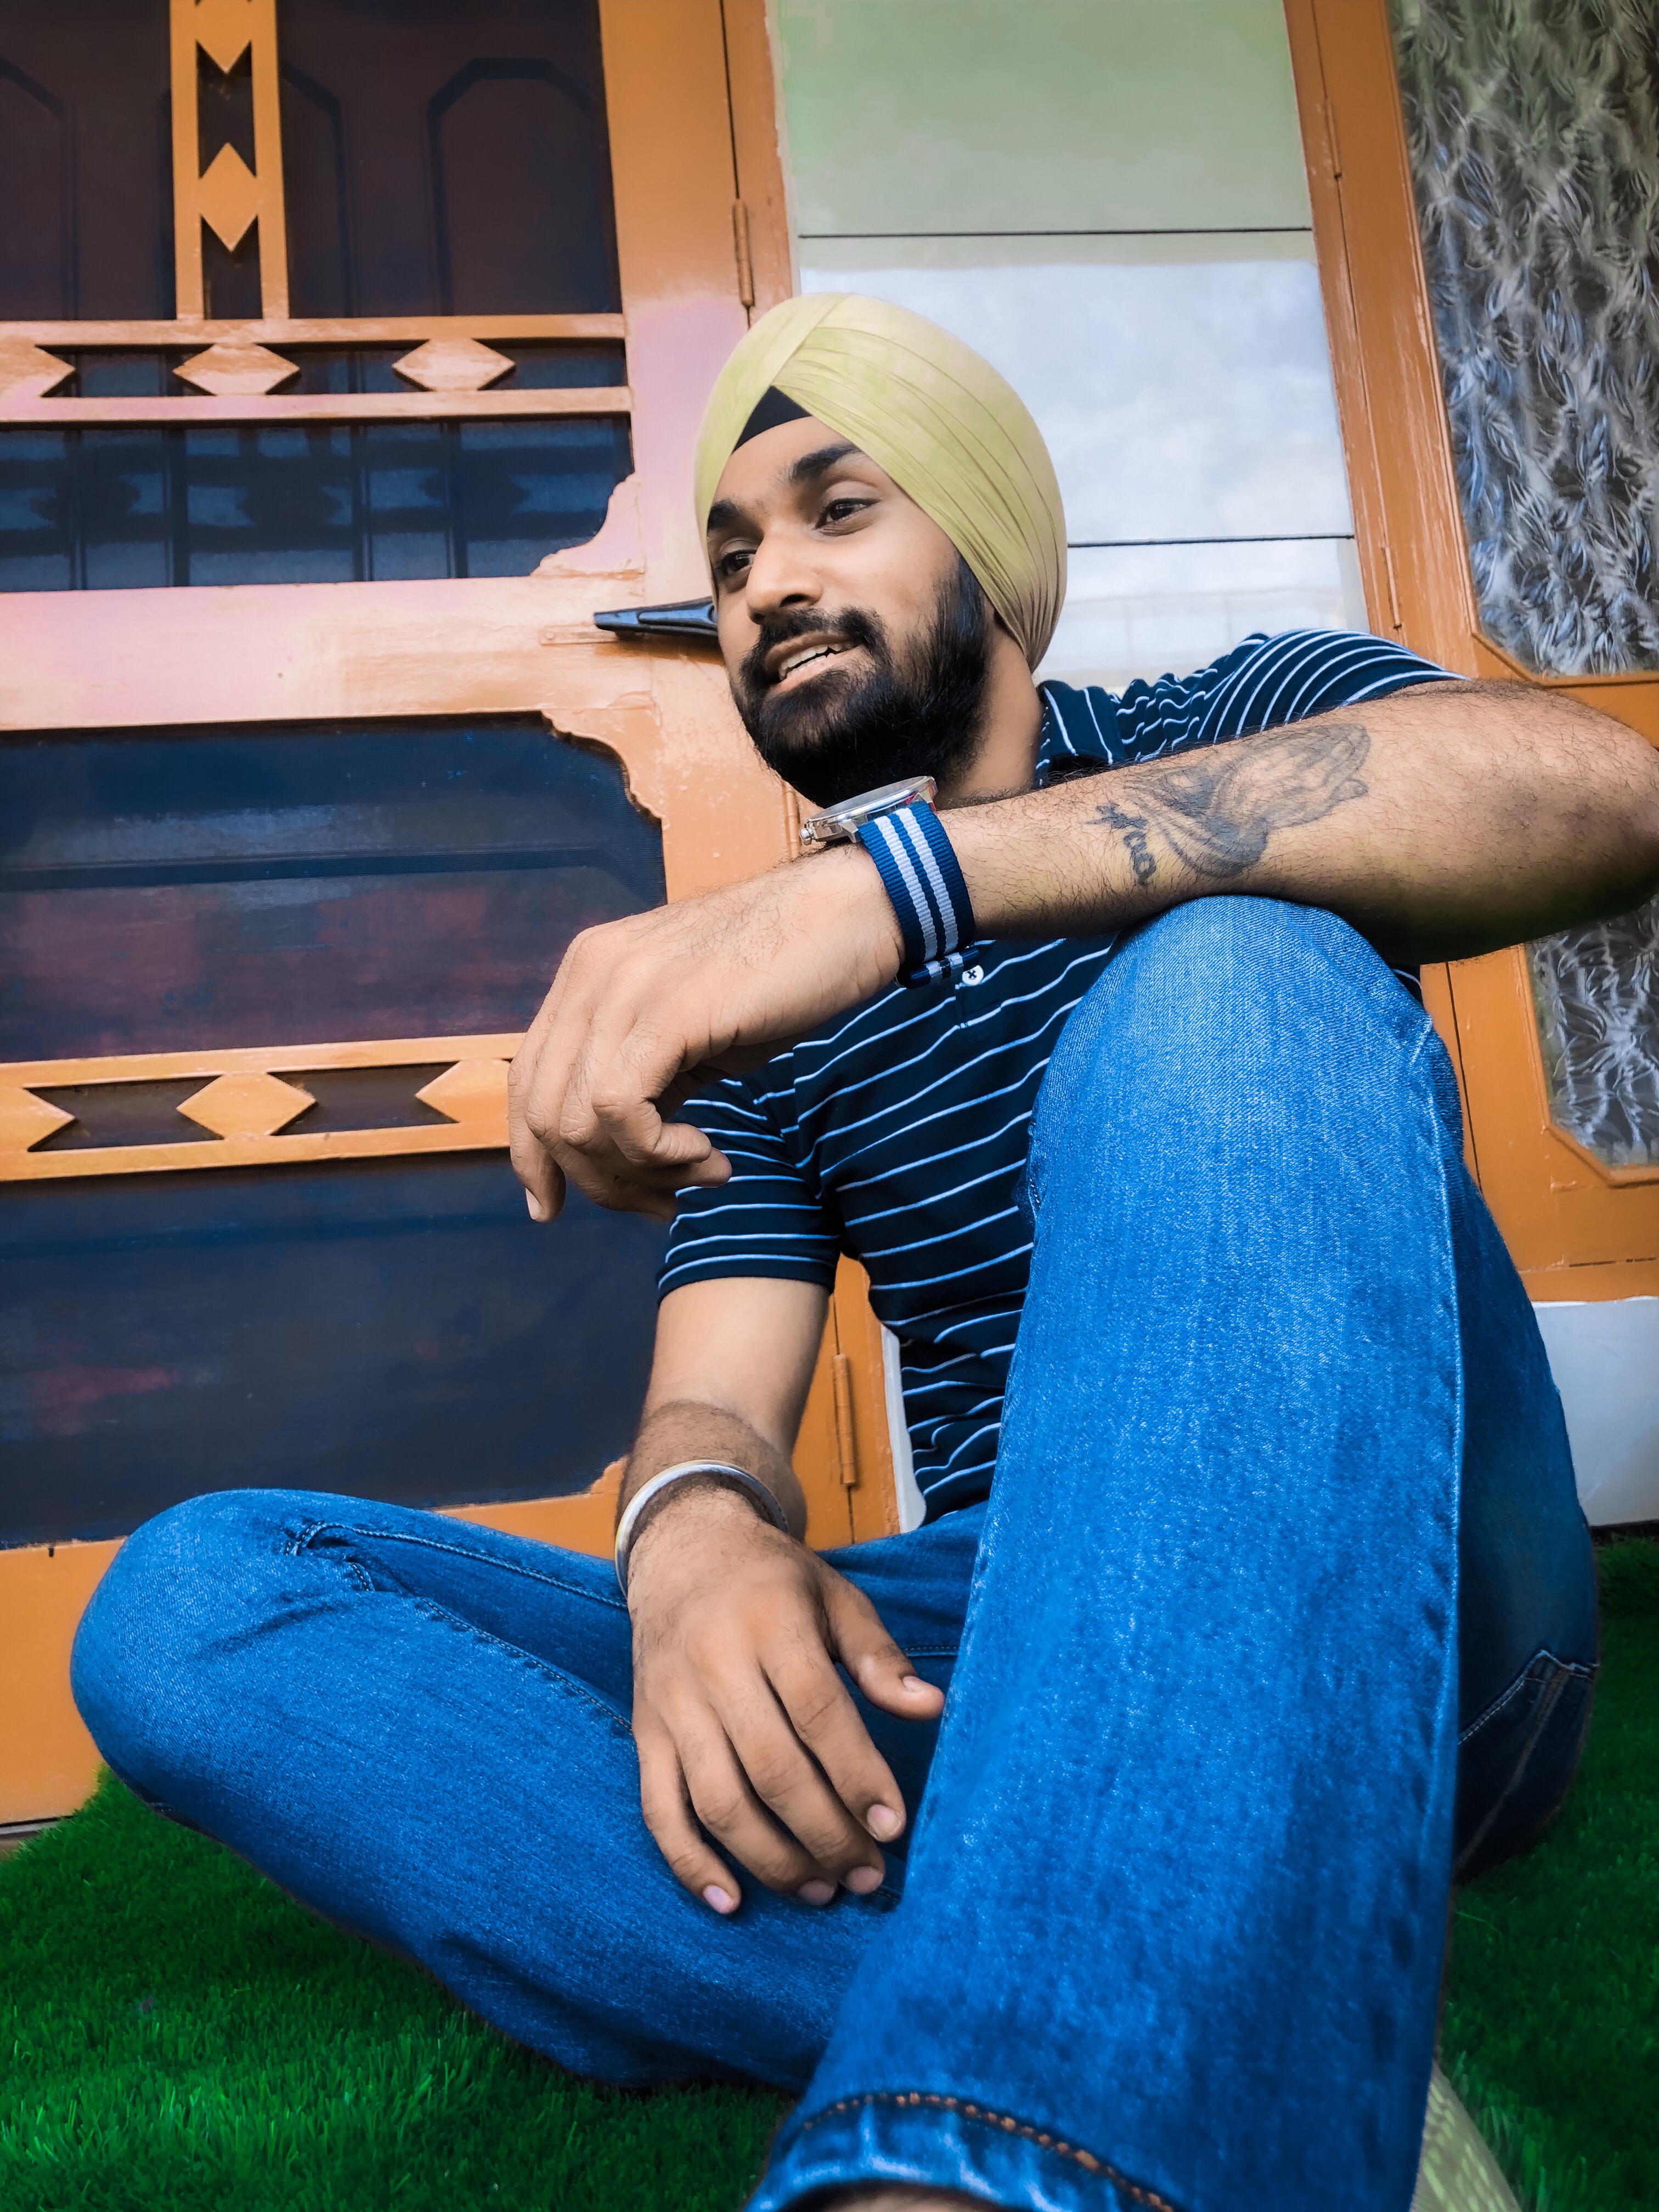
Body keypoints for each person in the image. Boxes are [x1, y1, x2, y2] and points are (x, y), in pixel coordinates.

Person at [73, 295, 1659, 2212]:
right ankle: (1196, 2018)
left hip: (1399, 1594)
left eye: (838, 511)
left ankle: (1069, 2090)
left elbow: (1604, 798)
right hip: (1002, 1629)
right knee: (193, 1607)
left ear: (987, 552)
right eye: (732, 554)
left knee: (1231, 971)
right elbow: (711, 1411)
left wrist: (901, 892)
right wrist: (694, 1544)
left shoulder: (1225, 722)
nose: (768, 586)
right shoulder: (779, 1027)